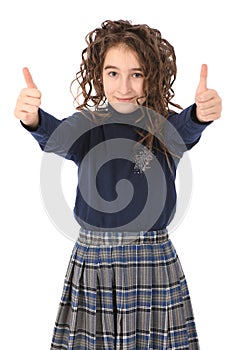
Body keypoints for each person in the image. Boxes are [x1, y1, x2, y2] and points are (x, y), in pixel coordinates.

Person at [14, 19, 222, 350]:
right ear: (99, 75)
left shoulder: (164, 126)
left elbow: (188, 126)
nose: (124, 86)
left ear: (151, 77)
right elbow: (55, 136)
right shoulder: (87, 125)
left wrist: (201, 113)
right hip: (94, 260)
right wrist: (32, 119)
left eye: (136, 74)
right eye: (113, 73)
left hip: (151, 259)